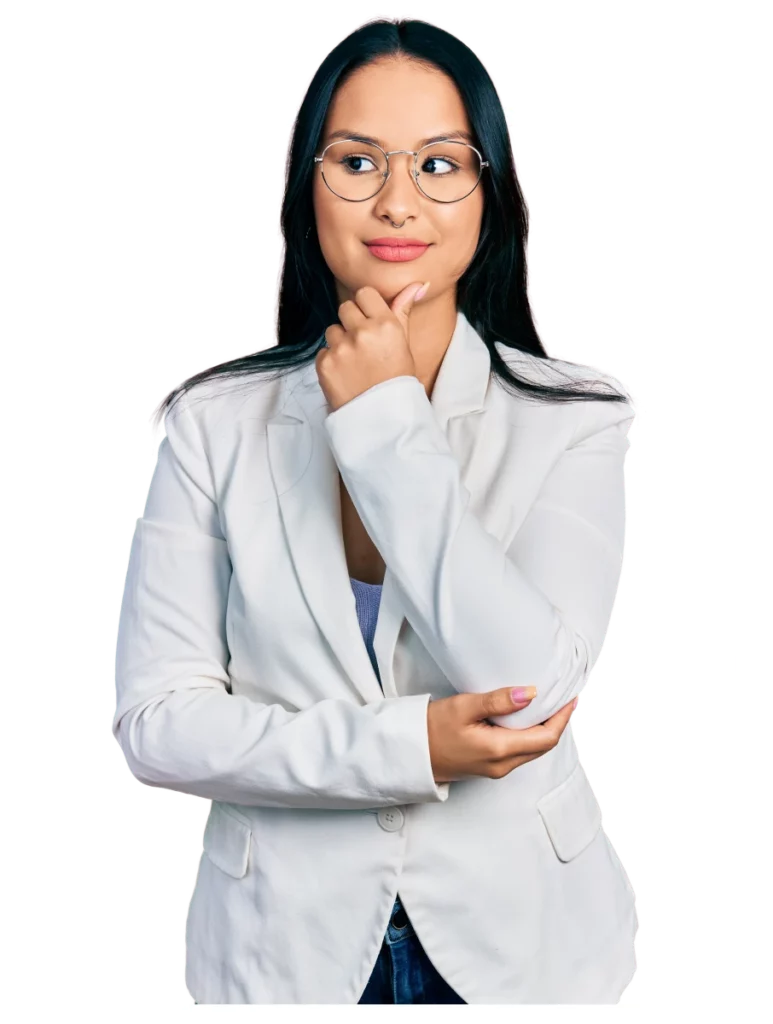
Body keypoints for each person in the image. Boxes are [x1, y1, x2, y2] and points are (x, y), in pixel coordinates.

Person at [112, 14, 639, 1005]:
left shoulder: (575, 418)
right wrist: (412, 748)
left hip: (524, 942)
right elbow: (158, 728)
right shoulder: (213, 423)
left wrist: (384, 424)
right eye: (356, 160)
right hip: (280, 948)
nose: (396, 200)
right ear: (306, 180)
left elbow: (529, 684)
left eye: (440, 164)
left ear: (489, 193)